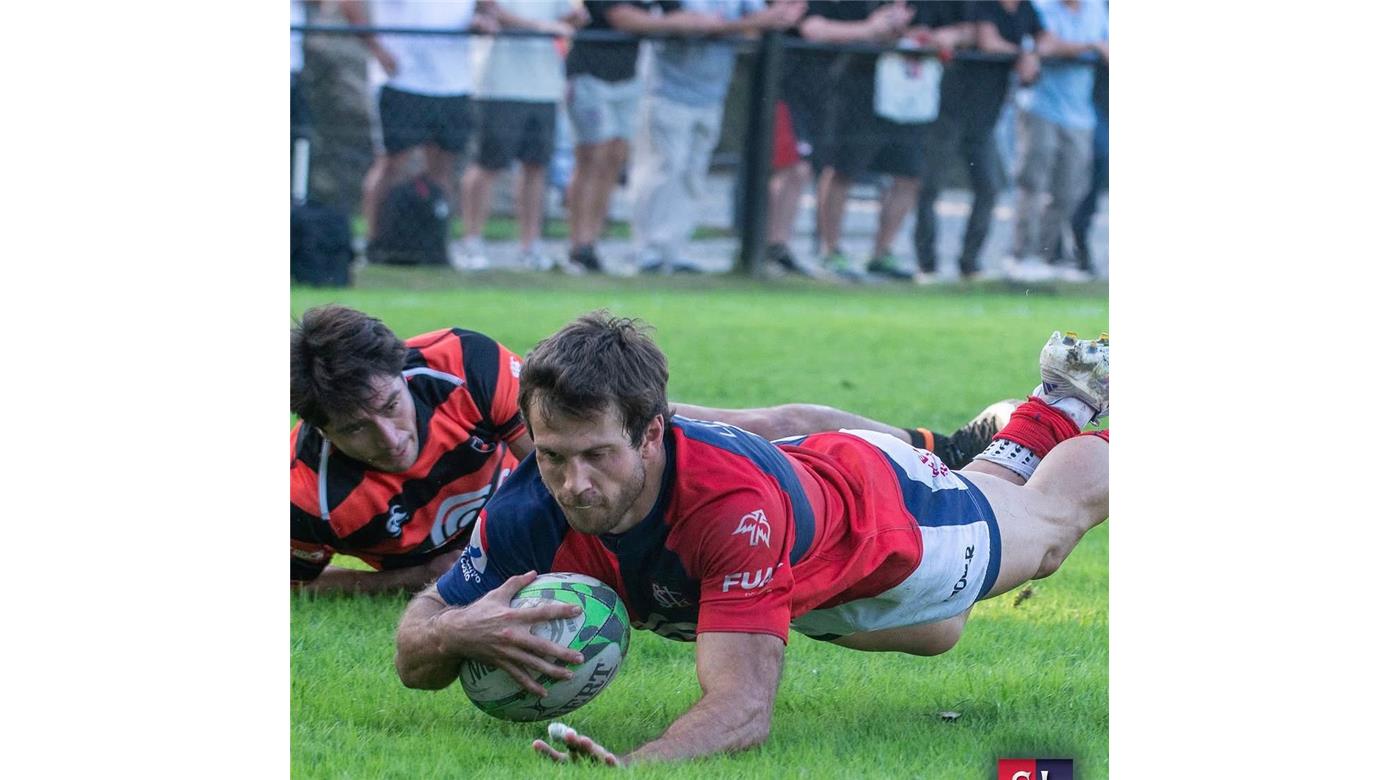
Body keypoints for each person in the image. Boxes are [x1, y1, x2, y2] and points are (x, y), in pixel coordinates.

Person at [393, 313, 1109, 765]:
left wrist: (638, 762)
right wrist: (458, 628)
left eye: (596, 455)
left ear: (650, 435)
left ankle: (1084, 413)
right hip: (801, 538)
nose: (573, 483)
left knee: (1044, 528)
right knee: (938, 630)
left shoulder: (728, 508)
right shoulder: (528, 505)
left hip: (883, 516)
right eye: (553, 455)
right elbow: (413, 653)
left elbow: (742, 711)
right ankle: (1060, 398)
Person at [290, 304, 1014, 595]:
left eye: (390, 407)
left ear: (400, 373)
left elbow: (550, 469)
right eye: (357, 430)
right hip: (535, 515)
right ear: (320, 429)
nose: (391, 437)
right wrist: (405, 580)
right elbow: (298, 590)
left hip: (564, 477)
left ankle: (943, 449)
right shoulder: (304, 495)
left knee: (761, 427)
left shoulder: (460, 363)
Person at [631, 0, 806, 274]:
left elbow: (763, 18)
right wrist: (753, 23)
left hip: (711, 94)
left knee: (693, 175)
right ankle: (649, 251)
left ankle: (675, 250)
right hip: (667, 92)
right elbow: (697, 26)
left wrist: (777, 17)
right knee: (664, 170)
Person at [809, 1, 974, 281]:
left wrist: (946, 37)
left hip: (912, 97)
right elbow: (814, 28)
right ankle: (830, 250)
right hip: (858, 89)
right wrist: (870, 29)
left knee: (909, 175)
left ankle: (882, 252)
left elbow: (969, 29)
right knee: (842, 170)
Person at [562, 1, 730, 273]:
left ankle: (591, 243)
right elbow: (622, 18)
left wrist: (693, 19)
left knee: (614, 159)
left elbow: (674, 10)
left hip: (628, 77)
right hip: (589, 73)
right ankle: (577, 244)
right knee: (592, 157)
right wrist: (675, 23)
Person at [911, 0, 1046, 283]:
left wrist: (1033, 53)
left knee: (989, 188)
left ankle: (969, 263)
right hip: (949, 108)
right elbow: (987, 40)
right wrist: (1021, 53)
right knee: (930, 186)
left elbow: (1043, 38)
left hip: (985, 115)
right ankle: (927, 264)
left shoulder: (1024, 9)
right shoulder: (983, 5)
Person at [341, 0, 495, 245]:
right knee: (391, 163)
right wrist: (377, 49)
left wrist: (483, 19)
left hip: (453, 82)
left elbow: (488, 7)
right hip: (402, 79)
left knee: (442, 168)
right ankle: (374, 243)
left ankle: (434, 243)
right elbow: (348, 4)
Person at [455, 0, 587, 273]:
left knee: (536, 166)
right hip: (500, 86)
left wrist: (574, 17)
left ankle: (530, 246)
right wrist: (542, 27)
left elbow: (567, 19)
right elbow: (489, 10)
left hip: (544, 86)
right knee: (488, 163)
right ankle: (472, 242)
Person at [1004, 0, 1108, 283]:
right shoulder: (1040, 7)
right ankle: (1021, 254)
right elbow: (1044, 47)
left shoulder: (1097, 8)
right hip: (1040, 106)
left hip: (1079, 113)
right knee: (1032, 182)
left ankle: (1048, 254)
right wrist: (1089, 47)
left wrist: (1095, 46)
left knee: (1070, 190)